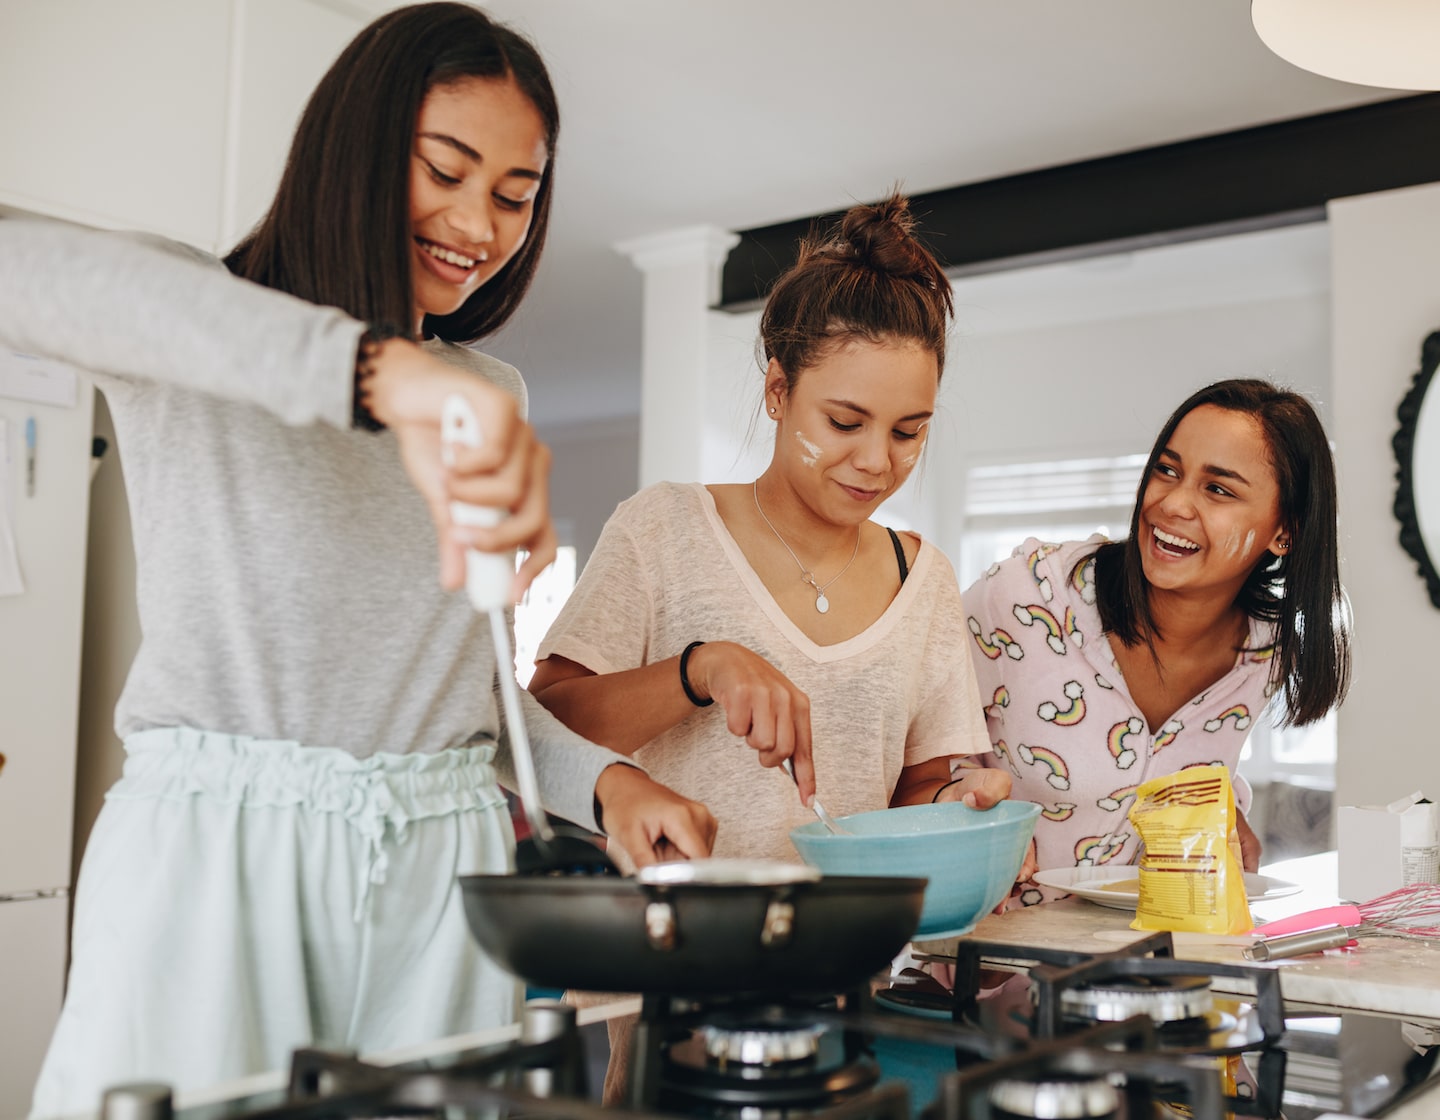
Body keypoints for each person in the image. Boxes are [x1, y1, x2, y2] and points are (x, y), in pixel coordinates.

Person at [0, 5, 714, 1115]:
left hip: (442, 876)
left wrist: (604, 783)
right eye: (446, 169)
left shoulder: (492, 396)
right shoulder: (206, 332)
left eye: (517, 195)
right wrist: (372, 372)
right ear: (359, 146)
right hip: (217, 868)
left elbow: (462, 703)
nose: (480, 224)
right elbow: (19, 268)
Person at [529, 194, 1011, 866]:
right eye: (846, 422)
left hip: (835, 964)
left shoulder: (923, 580)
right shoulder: (664, 528)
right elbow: (541, 733)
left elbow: (914, 792)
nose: (877, 461)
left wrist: (958, 810)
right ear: (778, 392)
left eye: (909, 431)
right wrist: (700, 670)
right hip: (661, 956)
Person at [961, 378, 1351, 906]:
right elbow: (914, 754)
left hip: (1138, 967)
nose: (1172, 504)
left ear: (1285, 532)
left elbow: (1192, 766)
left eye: (1218, 489)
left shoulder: (1266, 653)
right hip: (977, 968)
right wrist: (971, 817)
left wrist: (1226, 813)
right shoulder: (1028, 595)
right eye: (1167, 471)